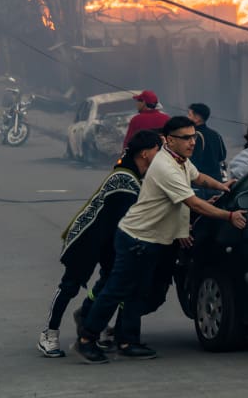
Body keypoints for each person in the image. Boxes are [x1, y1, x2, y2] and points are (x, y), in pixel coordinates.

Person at [75, 116, 247, 363]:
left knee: (138, 292)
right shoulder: (165, 166)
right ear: (168, 140)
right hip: (137, 237)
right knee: (116, 290)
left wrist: (223, 186)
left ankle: (128, 341)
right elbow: (194, 202)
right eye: (185, 138)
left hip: (153, 240)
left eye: (193, 137)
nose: (192, 143)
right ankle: (87, 339)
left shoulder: (181, 161)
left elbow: (199, 178)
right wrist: (229, 216)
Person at [37, 131, 161, 358]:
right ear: (145, 153)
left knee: (110, 282)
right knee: (70, 286)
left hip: (110, 238)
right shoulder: (124, 178)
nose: (160, 154)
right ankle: (49, 333)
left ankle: (87, 318)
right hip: (87, 237)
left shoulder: (137, 175)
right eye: (157, 149)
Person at [187, 102, 227, 199]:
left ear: (197, 118)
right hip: (217, 182)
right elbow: (222, 156)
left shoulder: (194, 136)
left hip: (201, 185)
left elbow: (191, 161)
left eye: (189, 114)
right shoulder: (216, 134)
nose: (187, 117)